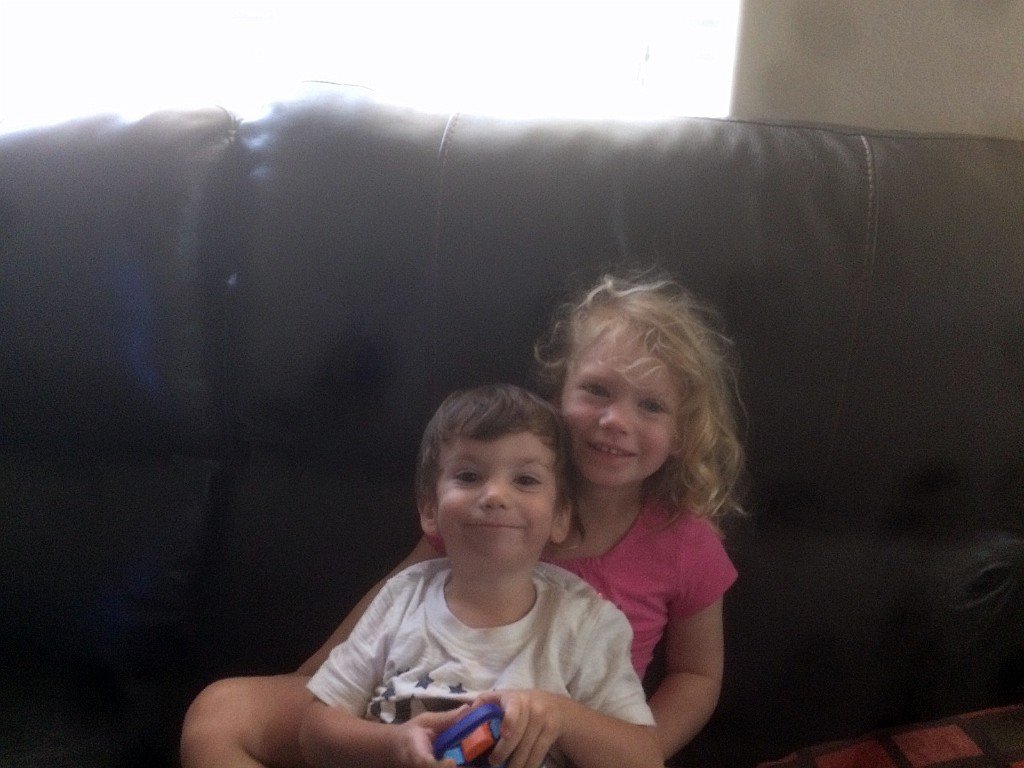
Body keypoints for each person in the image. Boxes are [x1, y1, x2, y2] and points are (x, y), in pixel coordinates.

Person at [180, 272, 744, 766]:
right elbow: (396, 598)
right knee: (220, 715)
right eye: (596, 390)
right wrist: (317, 680)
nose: (615, 420)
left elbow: (696, 675)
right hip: (406, 720)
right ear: (559, 395)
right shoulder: (485, 501)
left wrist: (629, 746)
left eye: (651, 405)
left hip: (556, 737)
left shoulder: (684, 542)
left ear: (684, 431)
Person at [298, 383, 661, 768]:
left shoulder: (587, 624)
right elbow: (313, 731)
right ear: (430, 509)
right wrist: (392, 744)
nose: (495, 495)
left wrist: (562, 716)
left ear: (560, 516)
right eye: (469, 476)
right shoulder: (402, 597)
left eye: (526, 480)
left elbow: (645, 759)